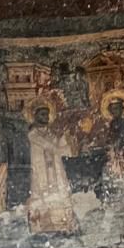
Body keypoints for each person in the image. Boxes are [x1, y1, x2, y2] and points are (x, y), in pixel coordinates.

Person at [26, 100, 77, 235]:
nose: (46, 117)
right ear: (35, 116)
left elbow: (64, 150)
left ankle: (61, 224)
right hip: (40, 171)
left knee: (58, 193)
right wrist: (60, 148)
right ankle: (40, 227)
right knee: (40, 195)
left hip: (54, 170)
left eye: (47, 114)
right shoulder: (33, 135)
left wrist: (67, 140)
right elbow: (52, 147)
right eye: (43, 114)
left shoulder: (52, 134)